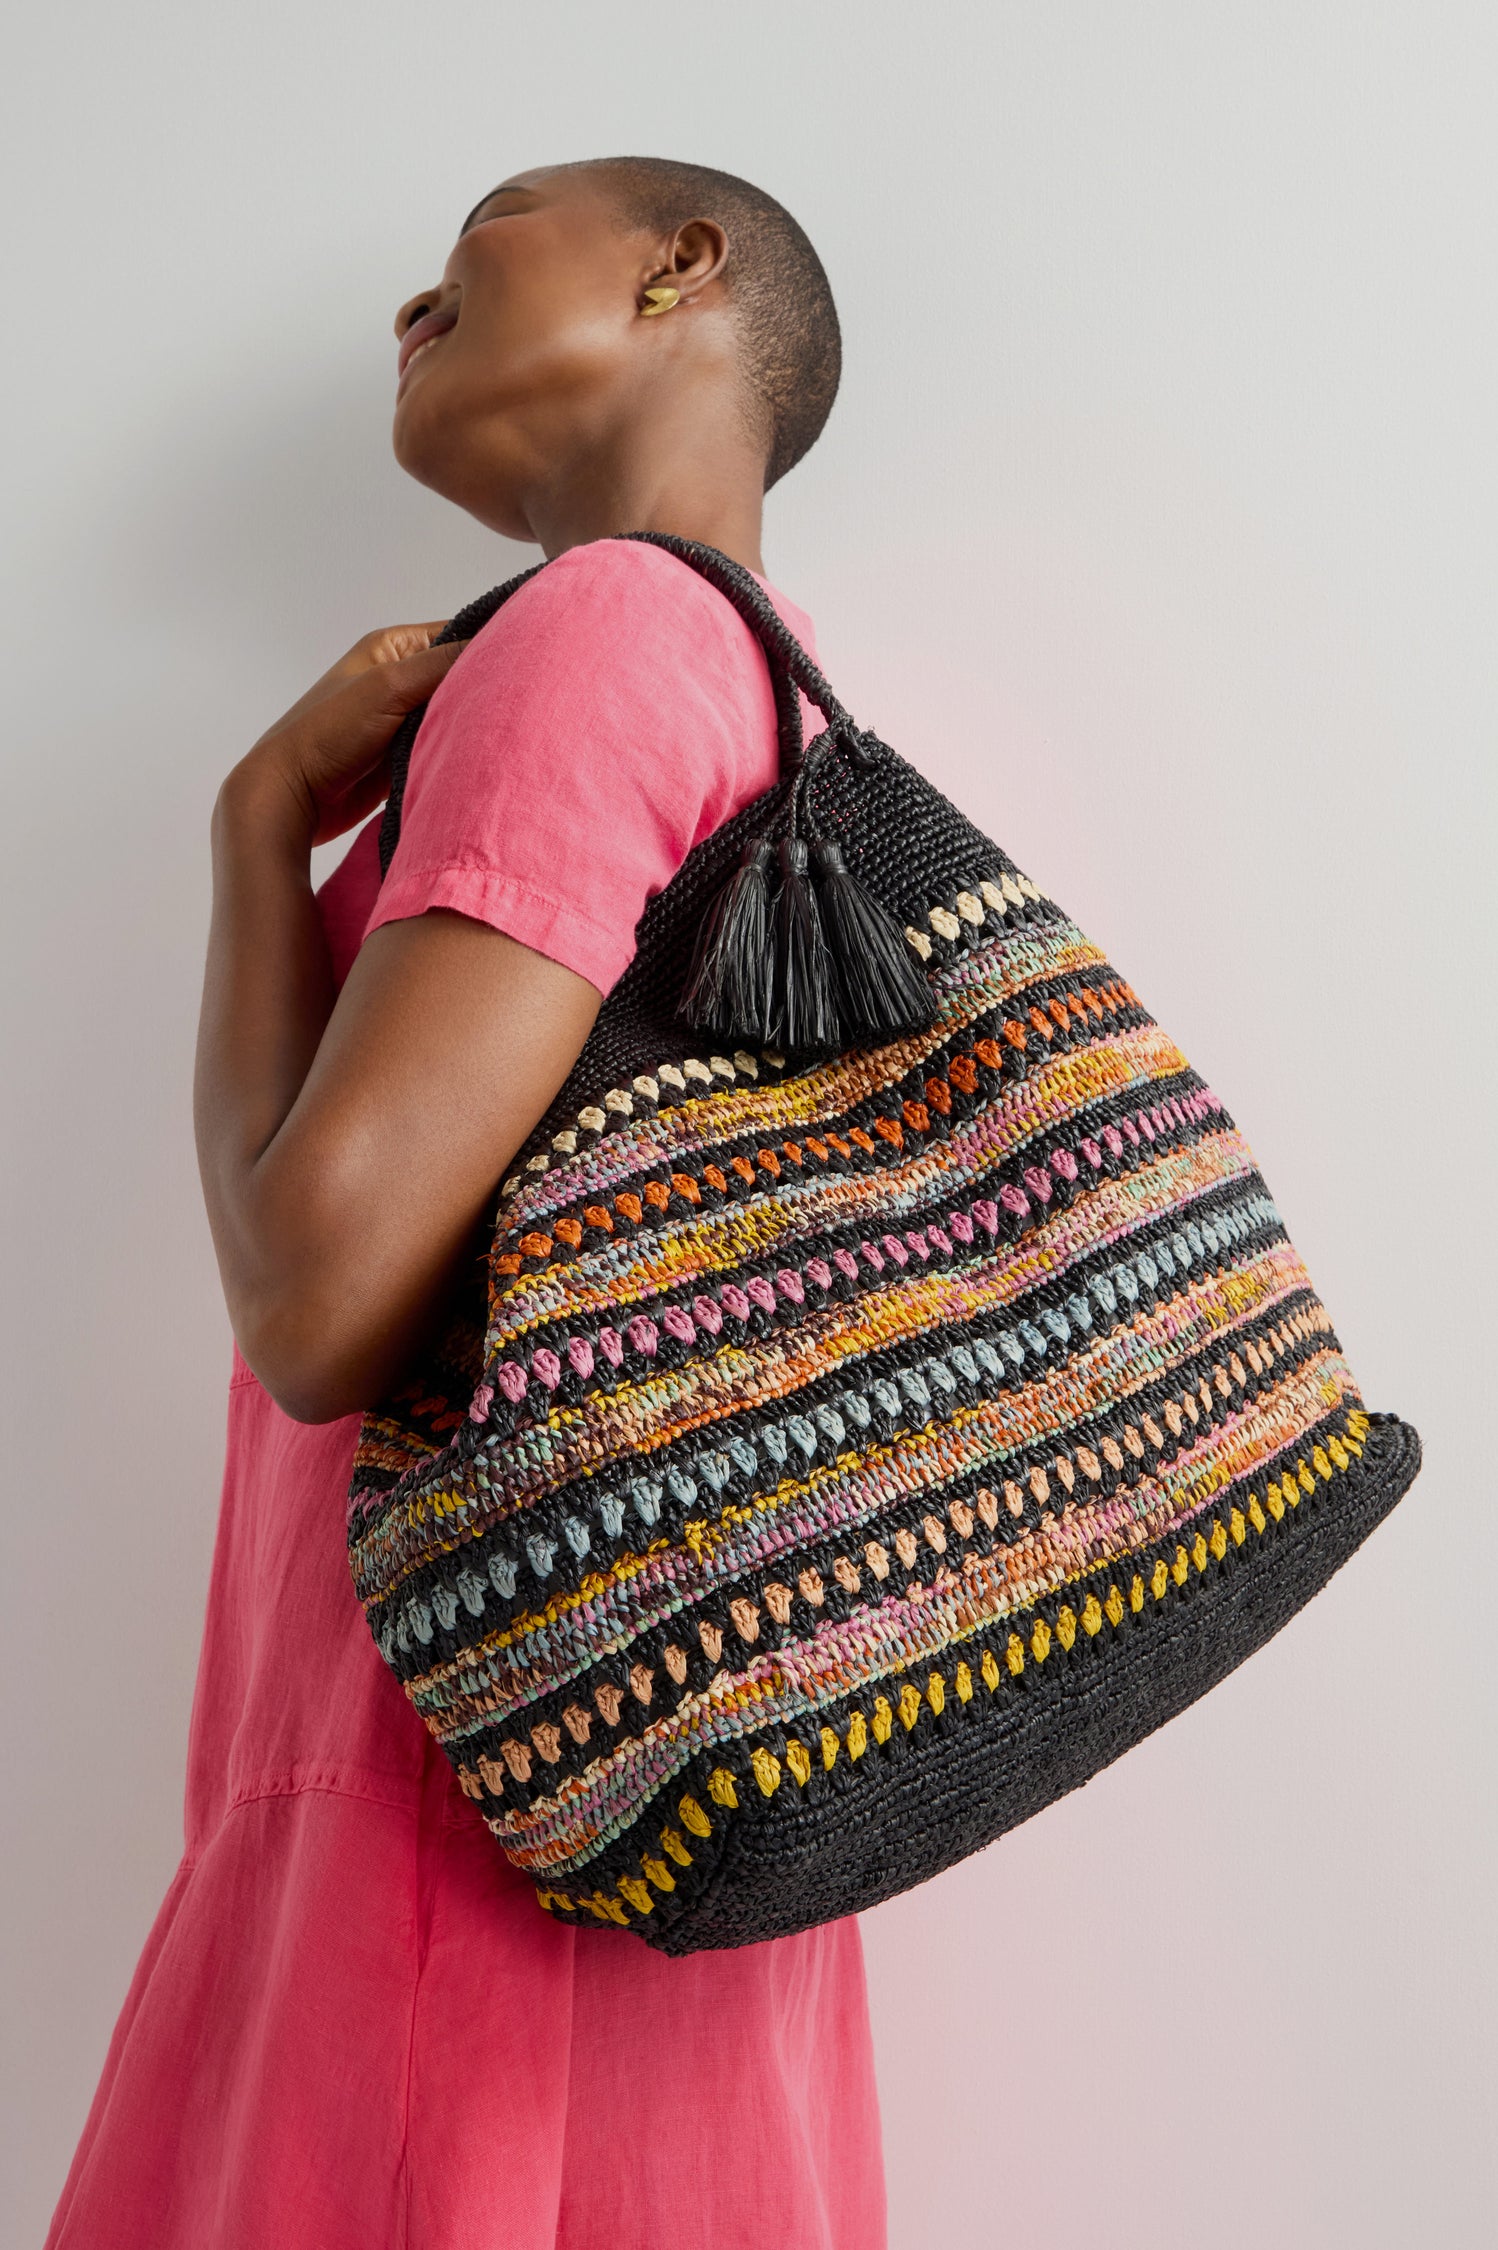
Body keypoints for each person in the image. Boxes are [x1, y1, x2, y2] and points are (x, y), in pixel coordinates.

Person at [46, 159, 886, 2250]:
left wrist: (256, 832)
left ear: (678, 267)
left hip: (455, 1792)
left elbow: (319, 1299)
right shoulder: (775, 698)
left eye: (482, 233)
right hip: (665, 1783)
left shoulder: (603, 629)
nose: (407, 310)